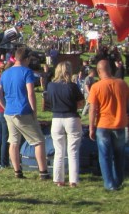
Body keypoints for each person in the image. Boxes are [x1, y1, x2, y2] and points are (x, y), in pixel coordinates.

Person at [0, 44, 50, 180]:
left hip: (9, 113)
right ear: (26, 59)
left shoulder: (6, 73)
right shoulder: (27, 72)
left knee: (13, 142)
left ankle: (17, 172)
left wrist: (5, 106)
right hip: (23, 111)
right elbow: (31, 93)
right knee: (39, 141)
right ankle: (43, 172)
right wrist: (34, 111)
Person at [87, 59, 128, 192]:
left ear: (99, 72)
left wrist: (91, 127)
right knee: (119, 154)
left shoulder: (96, 87)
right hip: (120, 123)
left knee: (104, 155)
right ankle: (118, 179)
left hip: (103, 124)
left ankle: (109, 183)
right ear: (110, 69)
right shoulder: (122, 84)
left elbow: (93, 109)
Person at [44, 61, 84, 187]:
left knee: (59, 151)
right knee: (73, 151)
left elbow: (48, 101)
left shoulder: (50, 86)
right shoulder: (72, 86)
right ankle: (73, 180)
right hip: (71, 117)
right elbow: (81, 102)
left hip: (56, 118)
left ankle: (58, 179)